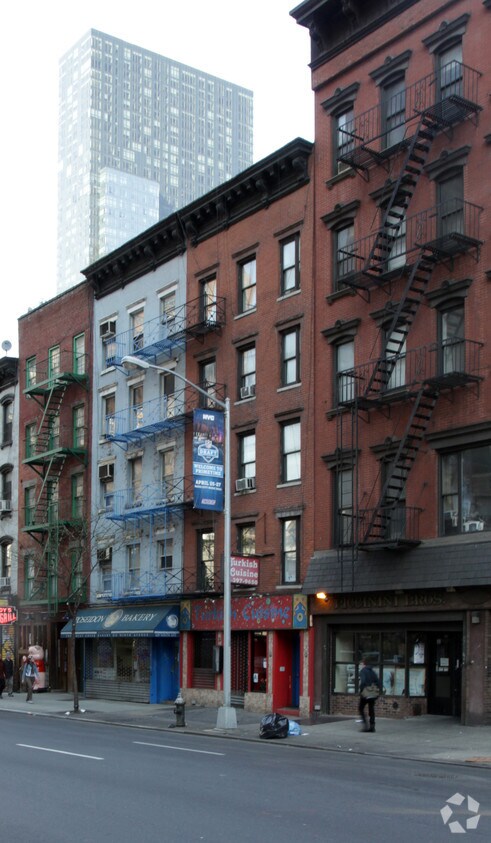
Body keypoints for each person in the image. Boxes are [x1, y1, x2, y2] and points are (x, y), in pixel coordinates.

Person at [358, 658, 381, 733]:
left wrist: (361, 689)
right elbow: (378, 682)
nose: (360, 665)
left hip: (366, 692)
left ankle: (365, 725)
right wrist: (375, 690)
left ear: (364, 664)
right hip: (373, 693)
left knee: (361, 708)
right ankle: (372, 726)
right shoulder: (372, 671)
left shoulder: (363, 671)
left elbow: (363, 681)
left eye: (361, 664)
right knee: (371, 709)